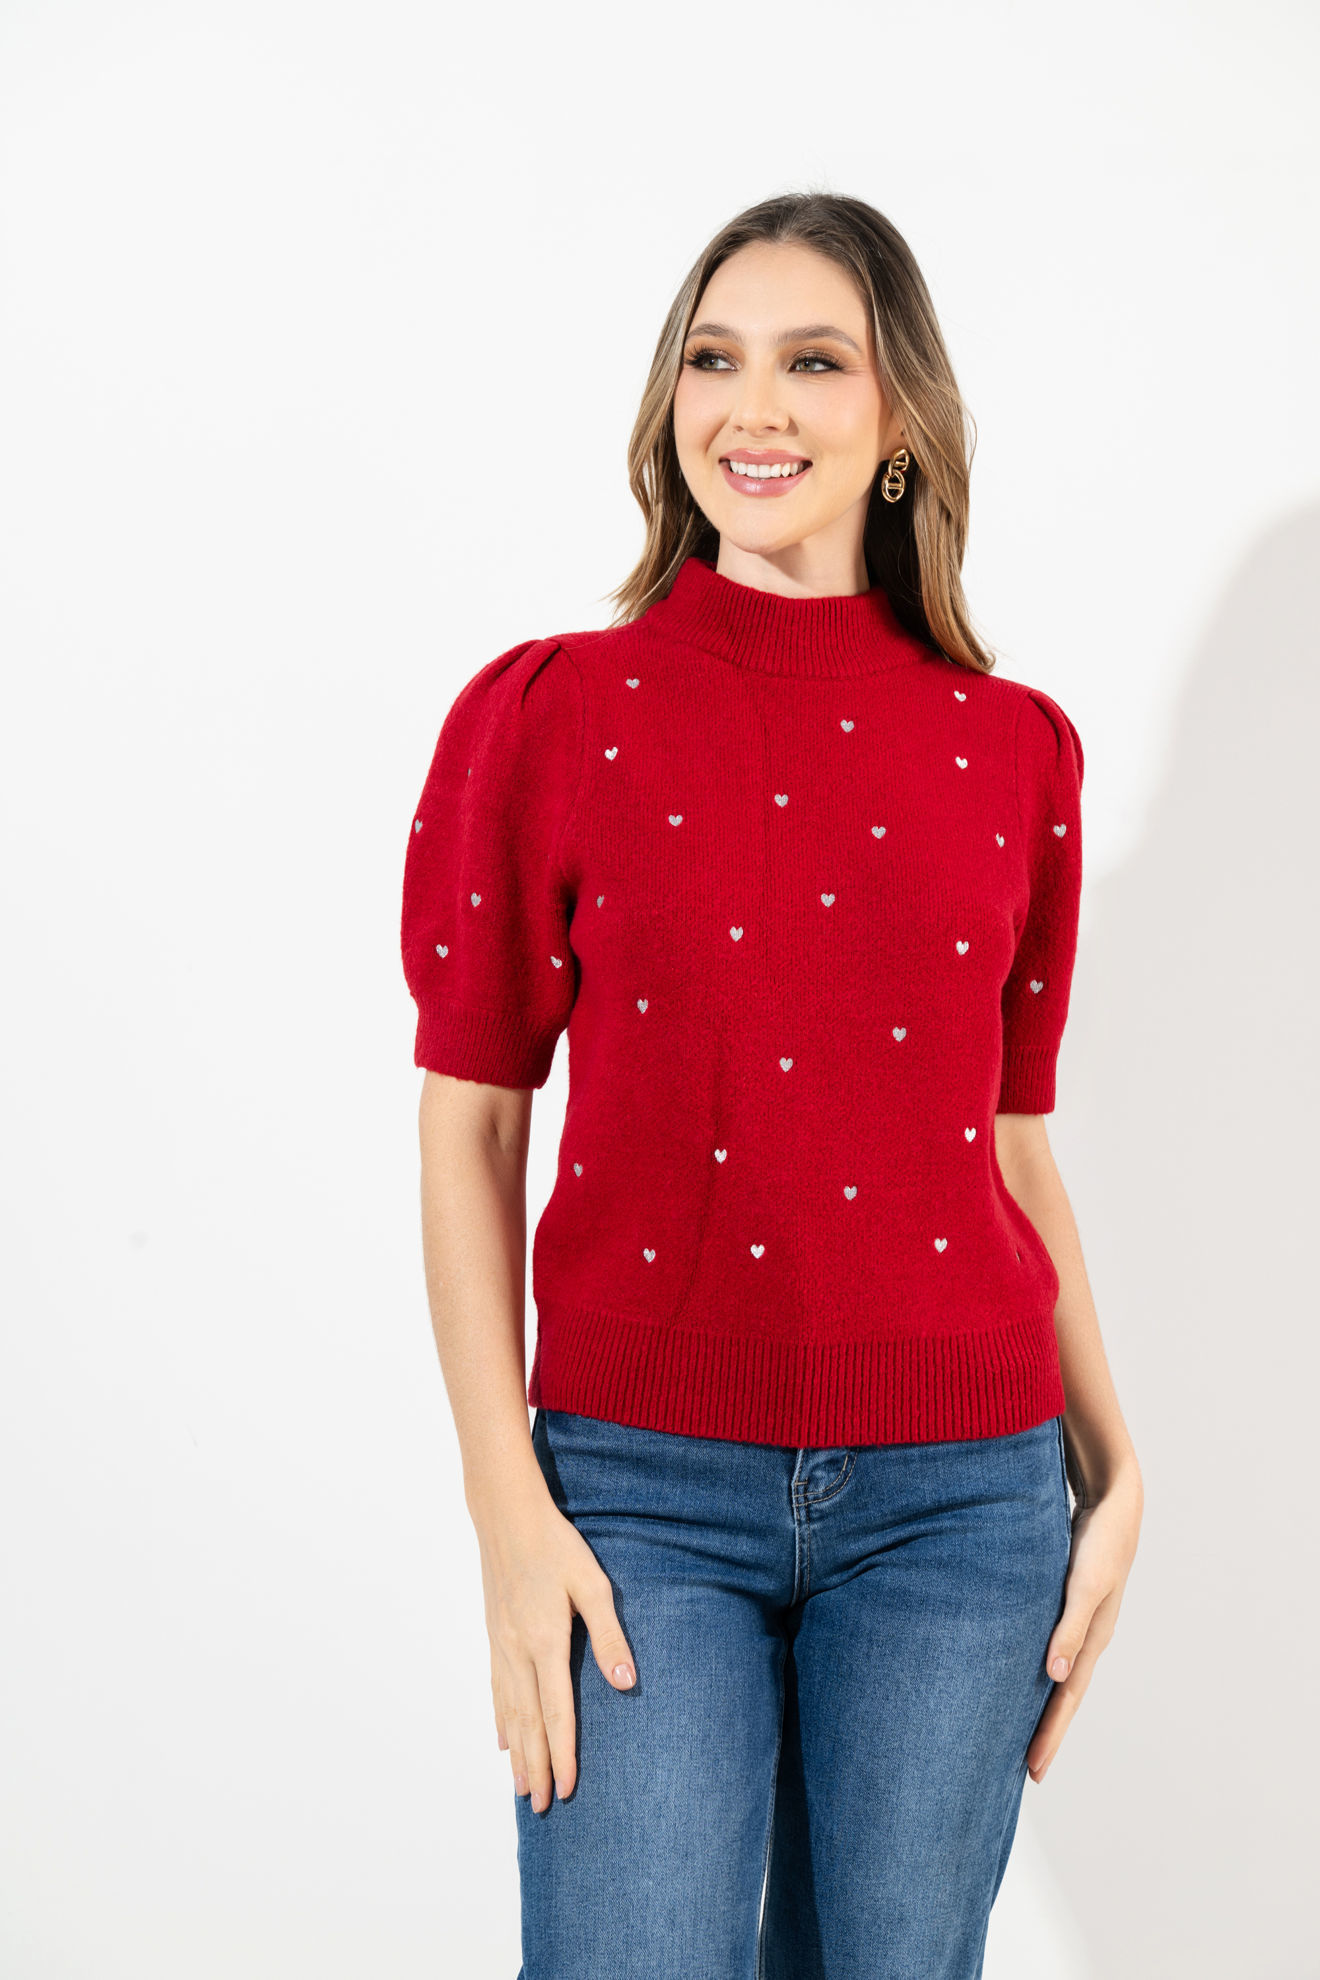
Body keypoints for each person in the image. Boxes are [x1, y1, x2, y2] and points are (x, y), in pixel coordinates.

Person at [400, 189, 1143, 1980]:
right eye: (715, 361)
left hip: (963, 1502)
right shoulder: (552, 714)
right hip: (636, 1491)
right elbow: (472, 1121)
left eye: (816, 363)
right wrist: (505, 1505)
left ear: (900, 425)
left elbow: (1008, 1141)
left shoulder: (1014, 750)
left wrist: (1115, 1460)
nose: (756, 407)